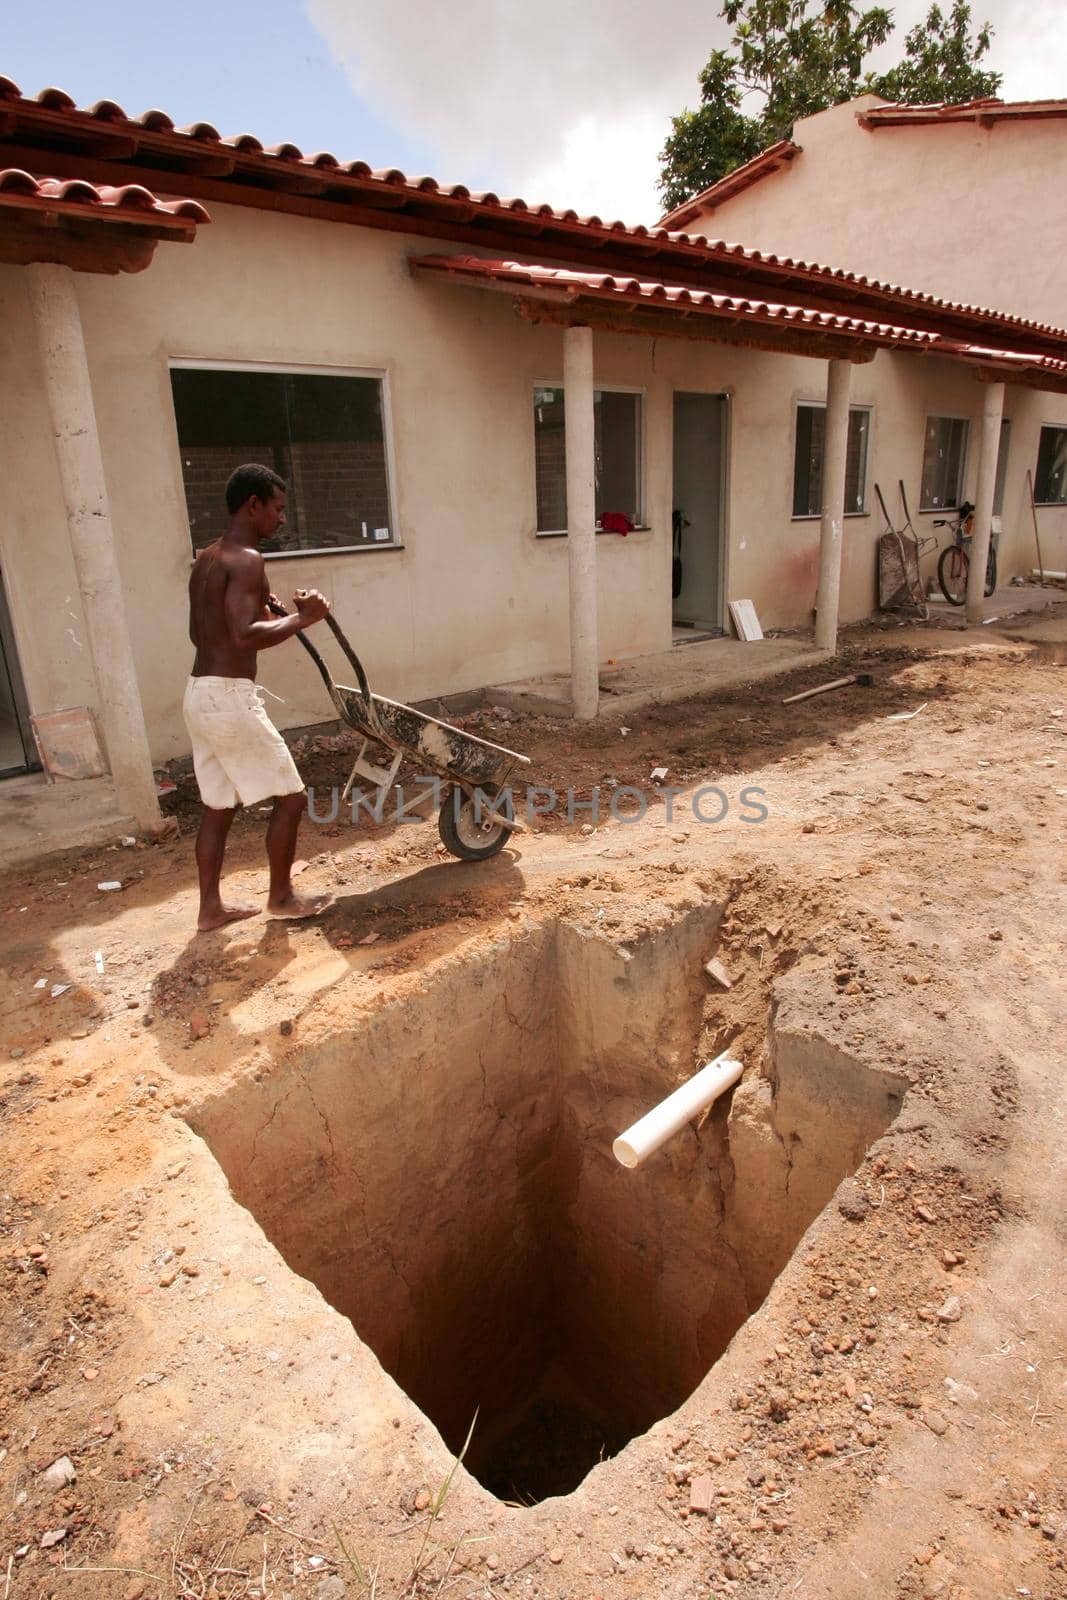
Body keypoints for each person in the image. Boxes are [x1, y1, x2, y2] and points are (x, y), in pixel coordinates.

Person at [183, 462, 333, 931]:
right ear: (253, 505)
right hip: (229, 699)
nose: (282, 519)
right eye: (278, 508)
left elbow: (201, 632)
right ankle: (282, 896)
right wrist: (305, 619)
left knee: (219, 804)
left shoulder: (208, 558)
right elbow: (245, 635)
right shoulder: (247, 559)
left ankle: (211, 909)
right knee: (291, 798)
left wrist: (271, 607)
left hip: (198, 694)